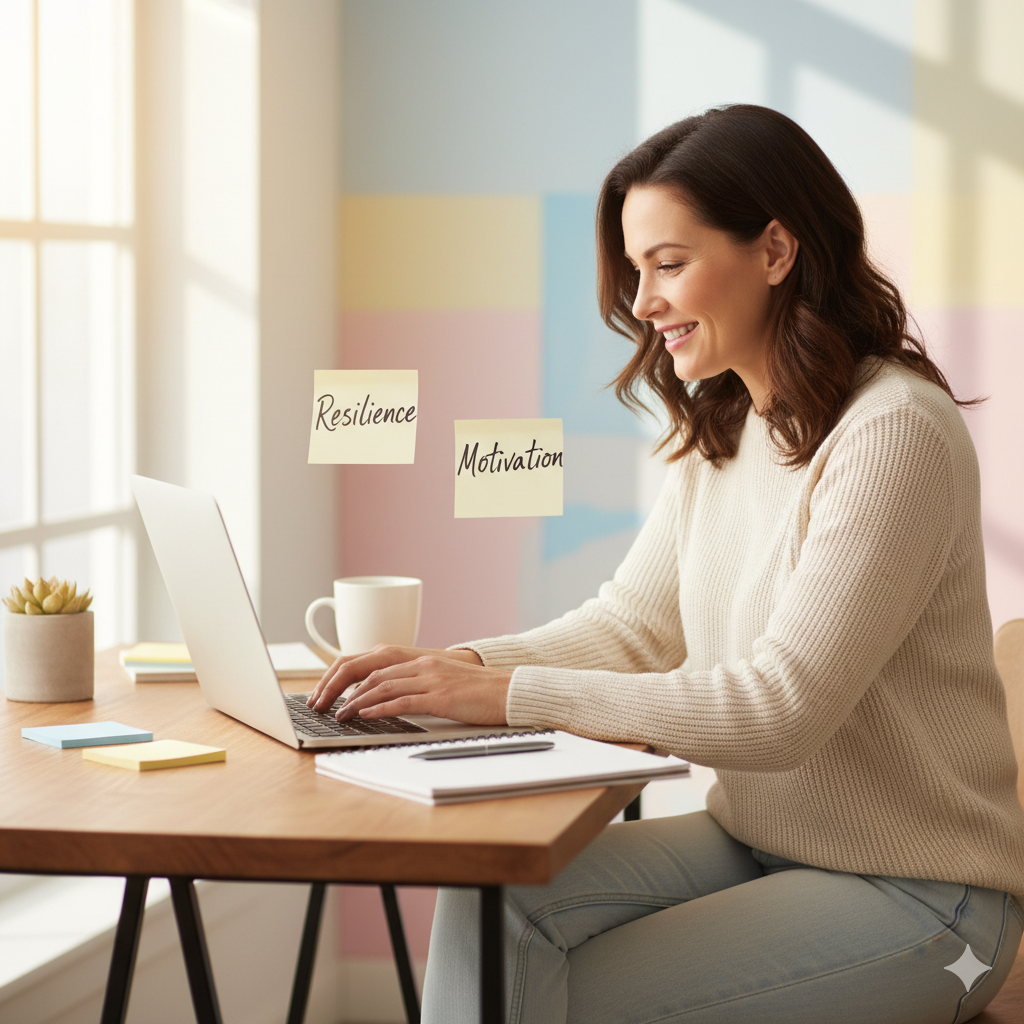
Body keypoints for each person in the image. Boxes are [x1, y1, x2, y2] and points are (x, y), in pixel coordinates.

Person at [308, 105, 1024, 1023]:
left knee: (549, 1002)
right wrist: (456, 670)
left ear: (775, 250)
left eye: (669, 264)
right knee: (497, 908)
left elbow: (780, 710)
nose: (643, 303)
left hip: (926, 897)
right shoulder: (727, 421)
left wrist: (508, 698)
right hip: (763, 840)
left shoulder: (893, 432)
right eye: (638, 270)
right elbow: (633, 628)